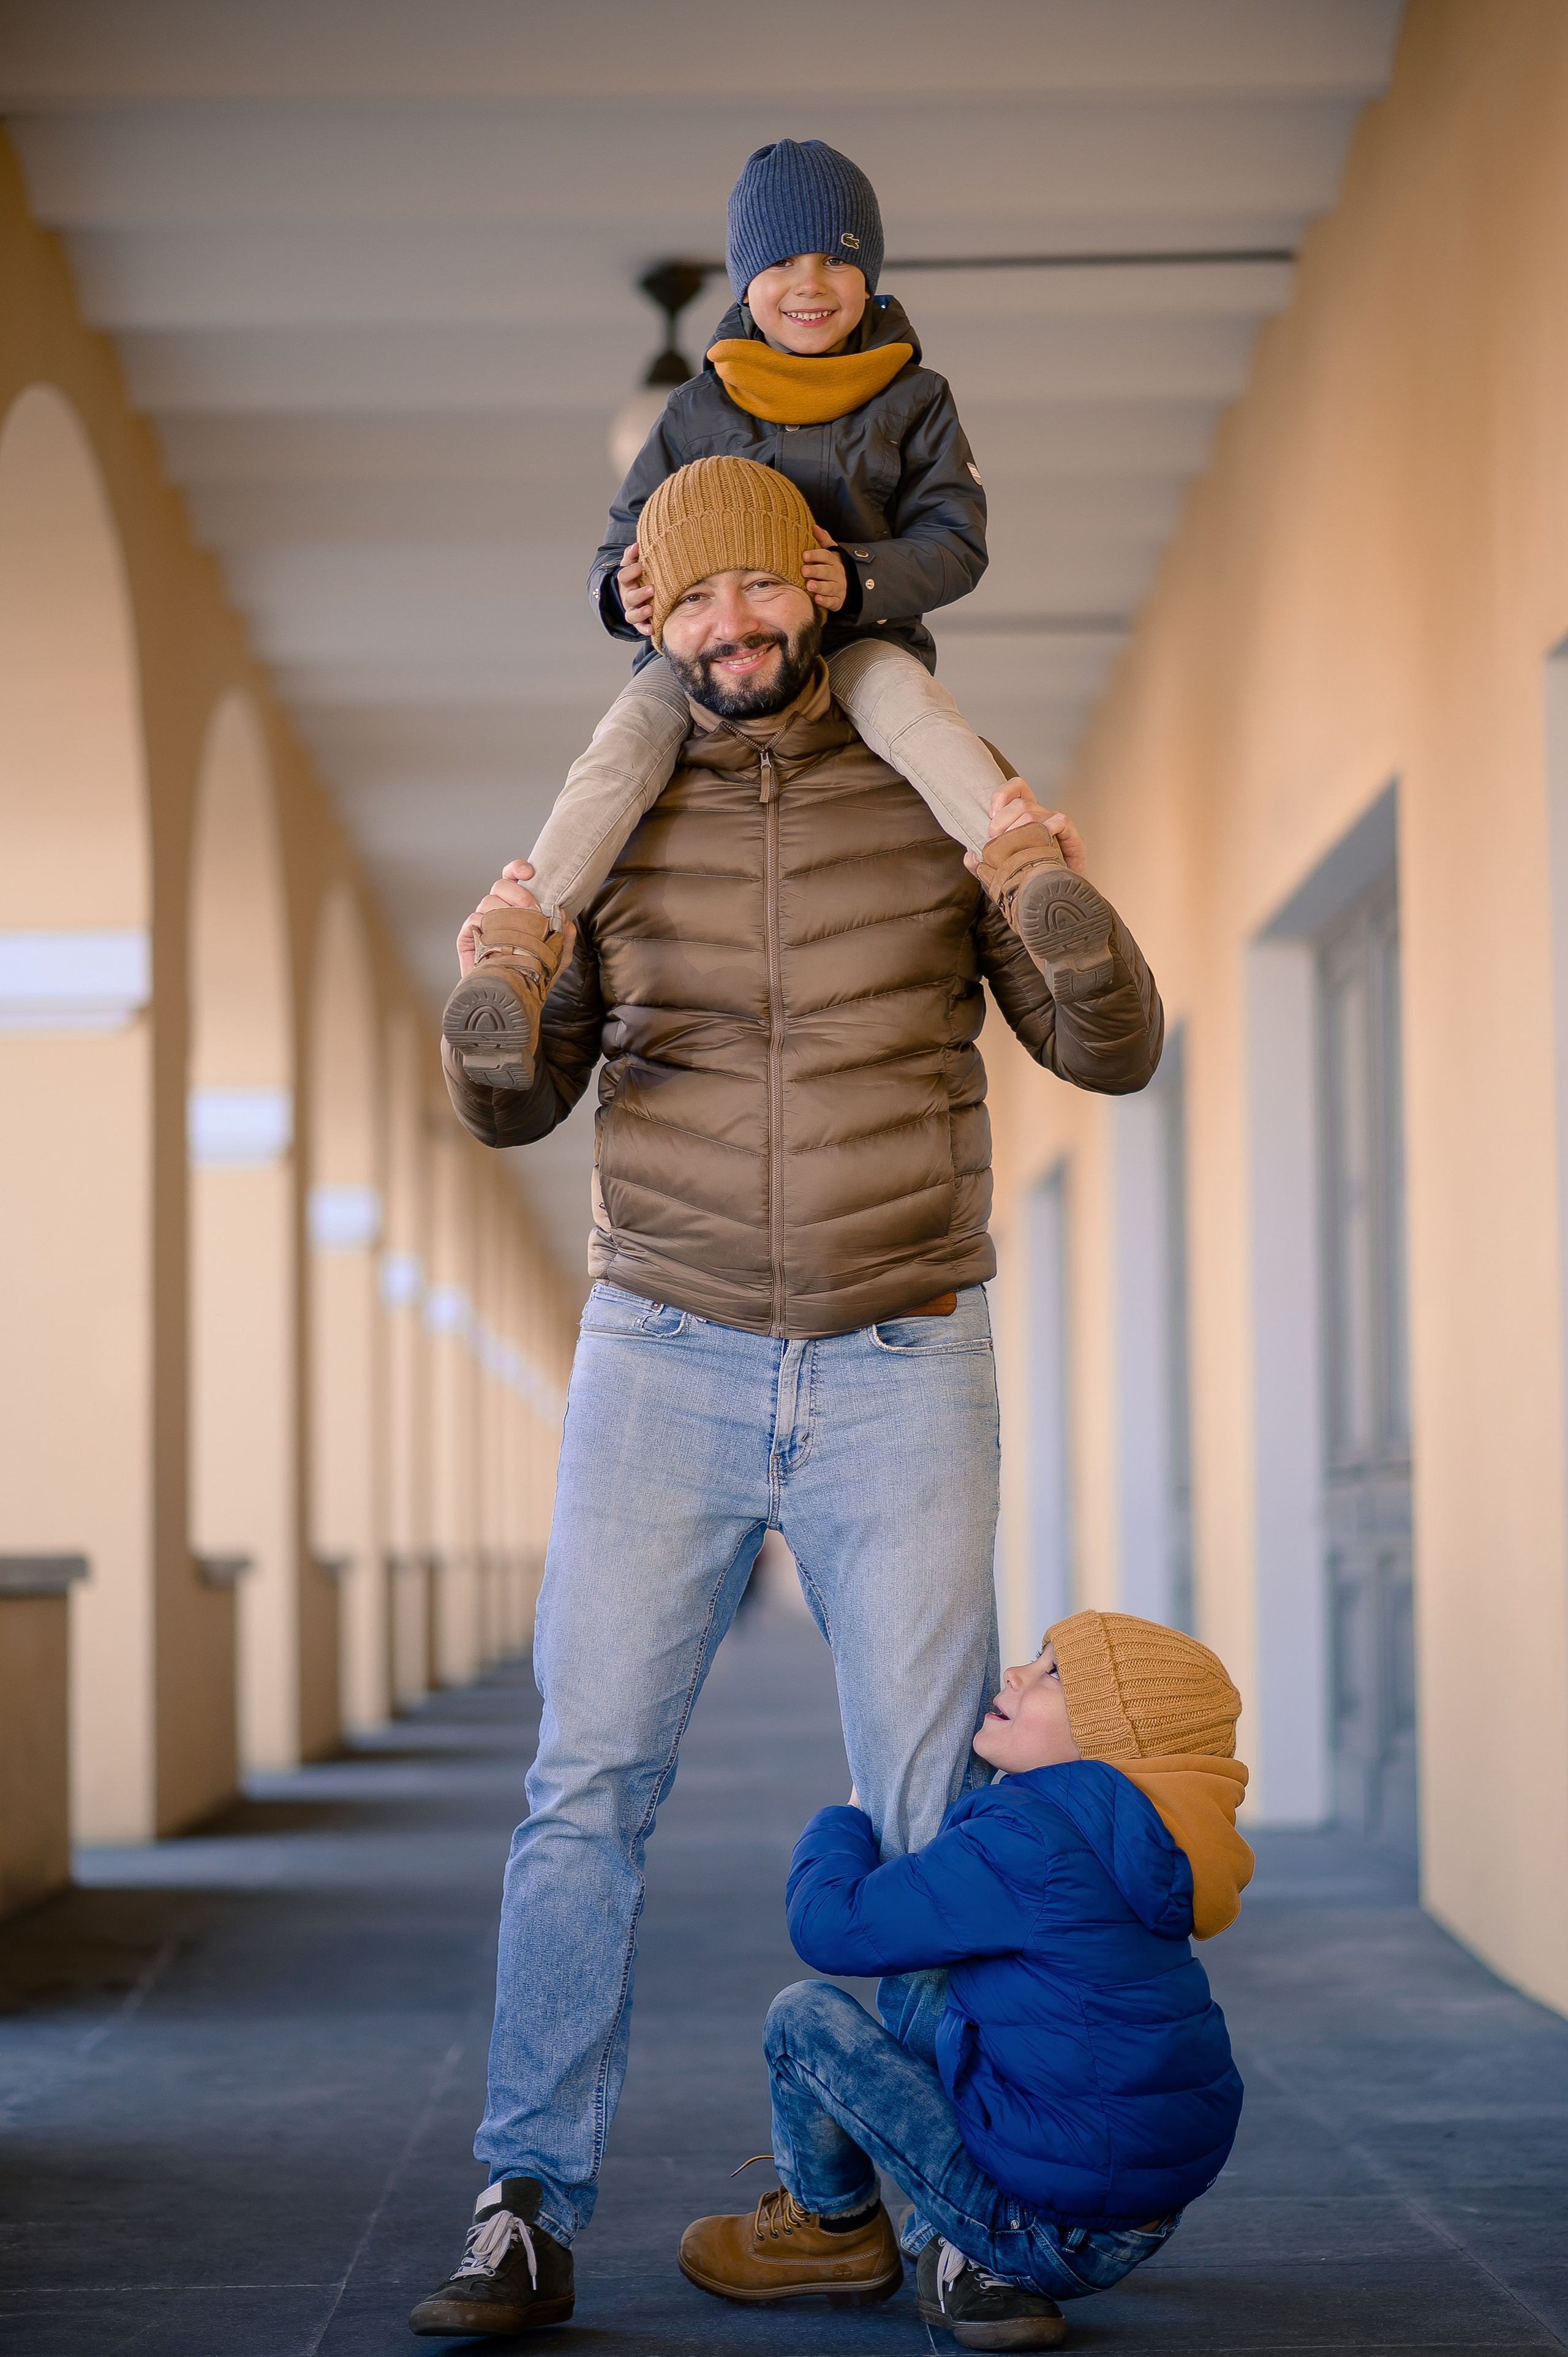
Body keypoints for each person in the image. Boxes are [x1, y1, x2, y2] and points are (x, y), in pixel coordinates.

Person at [409, 458, 1164, 2340]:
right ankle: (519, 2203)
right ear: (653, 622)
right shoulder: (620, 816)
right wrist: (501, 992)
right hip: (661, 1344)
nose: (733, 637)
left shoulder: (931, 785)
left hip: (904, 1342)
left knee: (928, 1800)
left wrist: (1045, 887)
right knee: (582, 1787)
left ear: (816, 590)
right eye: (696, 613)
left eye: (758, 604)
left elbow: (1110, 1049)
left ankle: (951, 2205)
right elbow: (520, 1103)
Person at [440, 137, 1091, 1095]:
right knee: (618, 755)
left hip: (863, 638)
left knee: (923, 721)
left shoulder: (915, 401)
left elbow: (957, 539)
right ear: (746, 282)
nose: (811, 283)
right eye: (782, 262)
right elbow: (621, 542)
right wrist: (621, 596)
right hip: (694, 661)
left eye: (837, 258)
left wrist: (859, 580)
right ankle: (516, 948)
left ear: (869, 272)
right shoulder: (696, 409)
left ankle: (1029, 874)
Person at [678, 1611, 1253, 2351]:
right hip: (1142, 2217)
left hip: (1043, 2222)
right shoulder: (1148, 1848)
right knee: (986, 1992)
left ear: (1111, 1740)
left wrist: (851, 1810)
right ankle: (960, 2250)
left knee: (803, 2018)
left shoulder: (1028, 1841)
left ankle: (833, 2226)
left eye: (1053, 1675)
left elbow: (829, 1925)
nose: (1016, 1673)